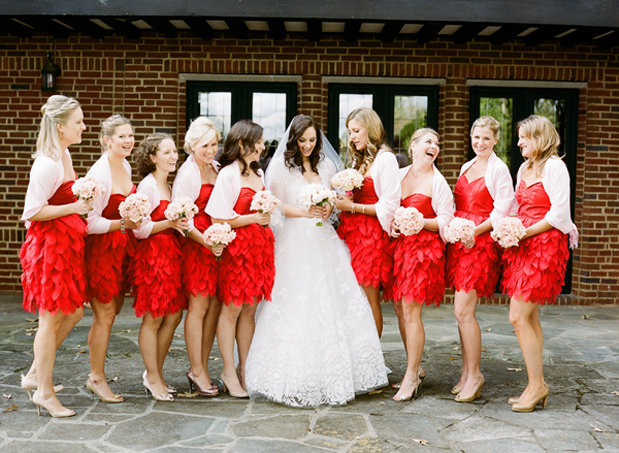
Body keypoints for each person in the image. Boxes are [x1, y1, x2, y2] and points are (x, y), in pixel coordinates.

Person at [245, 115, 388, 407]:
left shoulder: (325, 165)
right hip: (294, 238)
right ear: (293, 140)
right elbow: (277, 205)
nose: (308, 145)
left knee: (333, 299)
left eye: (312, 140)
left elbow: (333, 199)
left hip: (324, 239)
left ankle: (341, 373)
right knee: (297, 302)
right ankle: (294, 376)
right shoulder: (283, 167)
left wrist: (325, 210)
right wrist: (306, 212)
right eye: (303, 140)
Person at [19, 95, 90, 417]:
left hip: (67, 247)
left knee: (74, 311)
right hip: (49, 251)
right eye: (78, 122)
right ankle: (44, 393)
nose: (83, 127)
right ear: (60, 127)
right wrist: (75, 207)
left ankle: (36, 373)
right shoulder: (47, 163)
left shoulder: (64, 155)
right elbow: (32, 211)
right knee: (49, 321)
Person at [501, 115, 578, 412]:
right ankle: (535, 384)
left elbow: (559, 214)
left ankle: (537, 385)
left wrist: (524, 231)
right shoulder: (524, 167)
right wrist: (508, 227)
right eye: (519, 137)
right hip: (522, 245)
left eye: (524, 137)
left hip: (544, 246)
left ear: (540, 138)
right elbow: (518, 206)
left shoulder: (555, 167)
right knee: (529, 318)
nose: (519, 142)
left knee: (517, 316)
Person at [446, 116, 514, 402]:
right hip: (460, 243)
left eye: (486, 138)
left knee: (463, 311)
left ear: (496, 139)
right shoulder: (467, 166)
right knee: (459, 312)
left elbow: (501, 212)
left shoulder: (499, 170)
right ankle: (466, 372)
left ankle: (475, 374)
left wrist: (474, 230)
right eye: (476, 137)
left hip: (479, 244)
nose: (480, 143)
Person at [205, 120, 275, 398]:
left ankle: (246, 367)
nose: (261, 146)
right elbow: (217, 217)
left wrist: (265, 219)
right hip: (238, 252)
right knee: (232, 309)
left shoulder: (259, 173)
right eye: (258, 142)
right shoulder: (229, 175)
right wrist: (253, 218)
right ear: (243, 144)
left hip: (260, 250)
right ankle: (228, 370)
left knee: (249, 310)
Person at [390, 128, 454, 402]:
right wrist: (393, 222)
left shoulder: (437, 182)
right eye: (428, 141)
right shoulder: (399, 174)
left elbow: (446, 219)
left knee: (410, 309)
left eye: (437, 143)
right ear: (413, 146)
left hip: (424, 251)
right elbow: (388, 206)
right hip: (399, 249)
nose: (434, 146)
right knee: (399, 308)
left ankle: (412, 375)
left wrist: (420, 223)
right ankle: (414, 365)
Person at [84, 115, 139, 403]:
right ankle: (96, 377)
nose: (129, 141)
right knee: (104, 315)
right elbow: (89, 222)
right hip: (103, 250)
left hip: (122, 248)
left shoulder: (126, 165)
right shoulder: (99, 172)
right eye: (122, 136)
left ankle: (95, 374)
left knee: (113, 310)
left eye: (131, 135)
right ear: (106, 140)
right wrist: (122, 225)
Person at [334, 107, 400, 338]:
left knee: (369, 297)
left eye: (356, 131)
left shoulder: (386, 159)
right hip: (351, 233)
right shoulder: (357, 161)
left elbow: (389, 206)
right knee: (354, 297)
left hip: (371, 238)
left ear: (370, 129)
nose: (352, 137)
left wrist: (352, 207)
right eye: (349, 132)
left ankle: (372, 361)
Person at [132, 133, 186, 402]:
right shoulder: (148, 187)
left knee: (174, 314)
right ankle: (153, 377)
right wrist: (171, 224)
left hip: (172, 256)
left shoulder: (169, 185)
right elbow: (140, 231)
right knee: (154, 318)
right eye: (166, 152)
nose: (173, 156)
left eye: (174, 151)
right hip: (153, 257)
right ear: (152, 157)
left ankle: (155, 372)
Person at [172, 117, 223, 397]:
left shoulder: (216, 167)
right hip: (196, 245)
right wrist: (204, 240)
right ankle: (196, 368)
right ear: (192, 145)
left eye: (214, 143)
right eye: (204, 145)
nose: (210, 150)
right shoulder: (188, 173)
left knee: (215, 306)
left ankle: (202, 364)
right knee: (199, 307)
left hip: (217, 244)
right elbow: (182, 216)